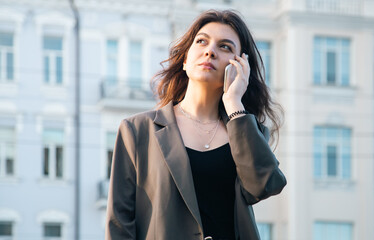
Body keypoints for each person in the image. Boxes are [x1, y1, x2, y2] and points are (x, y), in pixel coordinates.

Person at [105, 9, 287, 240]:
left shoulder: (246, 131)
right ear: (185, 59)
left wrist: (233, 103)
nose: (210, 51)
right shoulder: (138, 130)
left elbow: (265, 185)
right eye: (202, 42)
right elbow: (119, 225)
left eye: (225, 47)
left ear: (240, 66)